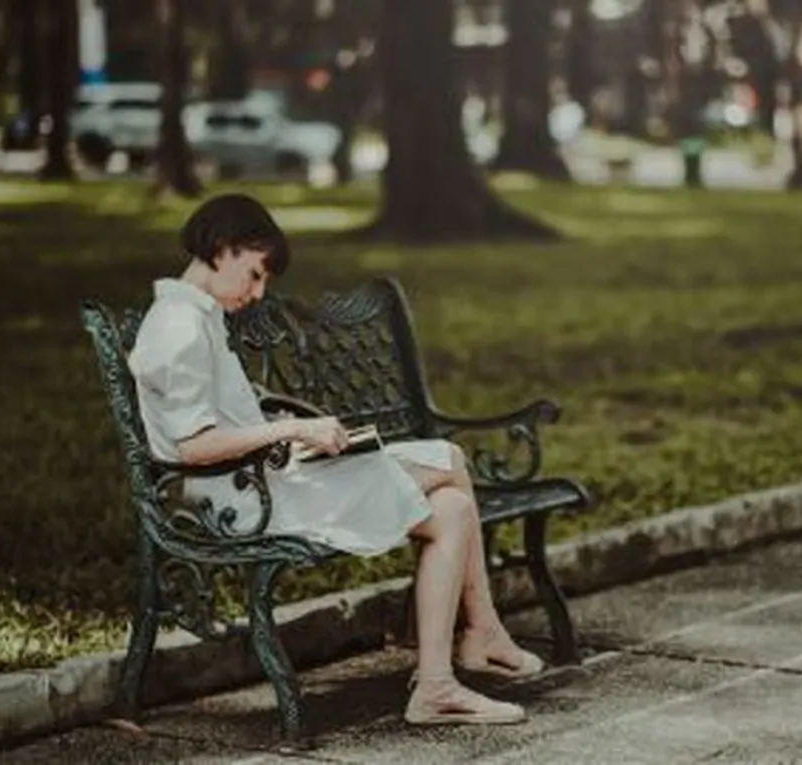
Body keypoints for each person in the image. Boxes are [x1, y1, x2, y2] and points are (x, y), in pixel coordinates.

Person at [126, 193, 542, 726]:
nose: (257, 293)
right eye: (255, 274)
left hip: (257, 482)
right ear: (223, 248)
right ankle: (477, 638)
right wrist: (295, 428)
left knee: (453, 507)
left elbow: (215, 418)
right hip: (239, 502)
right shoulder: (180, 327)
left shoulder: (194, 316)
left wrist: (284, 428)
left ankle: (442, 679)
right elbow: (193, 447)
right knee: (448, 462)